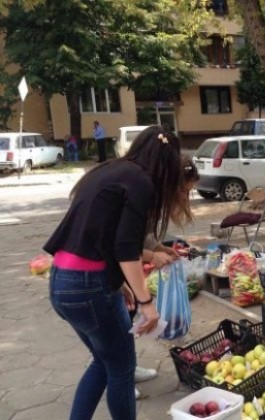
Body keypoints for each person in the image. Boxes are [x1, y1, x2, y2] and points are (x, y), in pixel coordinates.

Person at [44, 126, 182, 420]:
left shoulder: (110, 170)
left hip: (62, 282)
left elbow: (97, 236)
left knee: (104, 361)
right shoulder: (141, 181)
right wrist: (147, 304)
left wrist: (118, 283)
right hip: (88, 287)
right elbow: (125, 247)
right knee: (121, 368)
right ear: (167, 163)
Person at [133, 156, 200, 399]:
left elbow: (143, 235)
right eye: (183, 190)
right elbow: (119, 245)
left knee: (124, 321)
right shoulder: (141, 196)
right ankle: (117, 377)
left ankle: (125, 369)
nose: (185, 197)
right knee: (112, 339)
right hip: (106, 272)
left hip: (120, 273)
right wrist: (152, 255)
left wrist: (161, 249)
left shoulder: (153, 203)